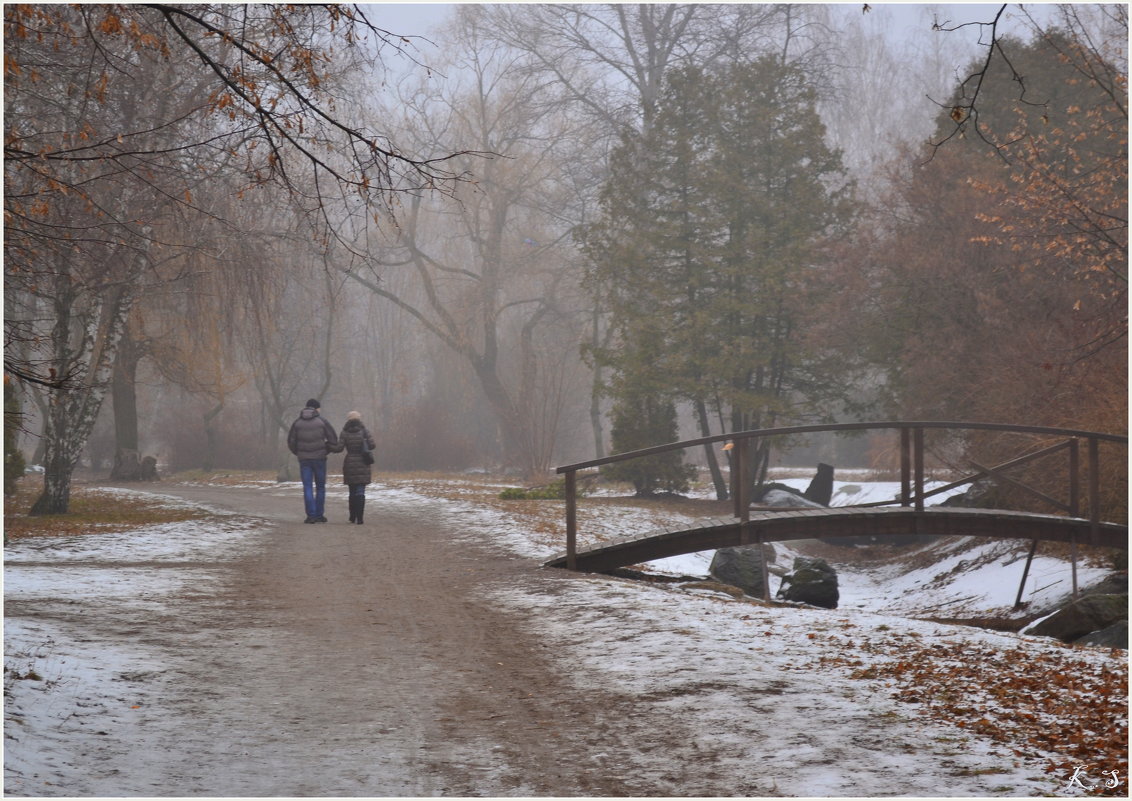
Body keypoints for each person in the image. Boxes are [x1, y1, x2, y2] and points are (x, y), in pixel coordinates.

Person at [287, 399, 339, 524]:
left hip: (304, 459)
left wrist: (299, 452)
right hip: (320, 459)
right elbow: (333, 439)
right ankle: (319, 515)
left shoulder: (297, 423)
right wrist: (325, 450)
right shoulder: (322, 421)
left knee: (307, 486)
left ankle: (311, 516)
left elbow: (291, 442)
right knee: (320, 487)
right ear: (317, 409)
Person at [338, 411, 376, 524]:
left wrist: (327, 446)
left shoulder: (344, 432)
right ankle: (360, 518)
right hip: (363, 462)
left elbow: (339, 447)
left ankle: (352, 516)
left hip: (350, 462)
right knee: (360, 491)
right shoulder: (364, 431)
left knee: (352, 491)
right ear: (359, 419)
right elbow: (372, 445)